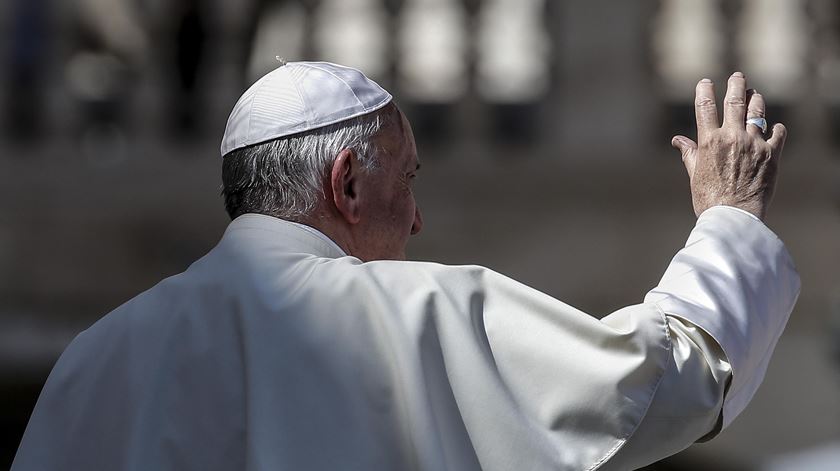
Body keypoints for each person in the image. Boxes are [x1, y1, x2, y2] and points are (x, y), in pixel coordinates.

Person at [12, 62, 799, 470]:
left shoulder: (93, 360)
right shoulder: (422, 311)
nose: (418, 219)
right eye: (407, 179)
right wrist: (729, 215)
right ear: (348, 184)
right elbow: (669, 381)